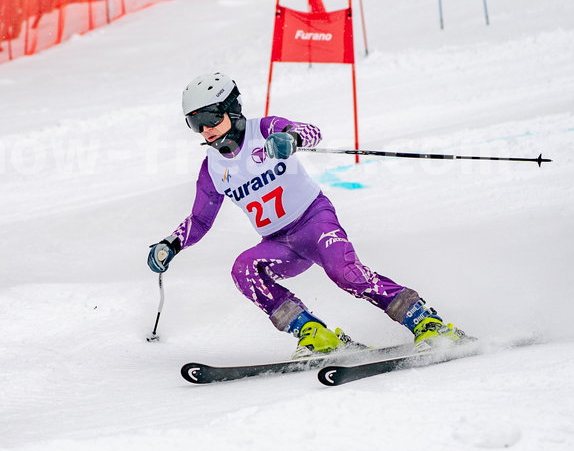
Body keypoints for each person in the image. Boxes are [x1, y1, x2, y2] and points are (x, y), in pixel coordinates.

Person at [147, 72, 468, 358]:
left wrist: (292, 139)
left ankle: (427, 321)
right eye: (195, 123)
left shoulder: (265, 129)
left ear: (231, 109)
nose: (205, 129)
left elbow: (310, 131)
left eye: (209, 117)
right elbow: (201, 220)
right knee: (243, 268)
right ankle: (315, 334)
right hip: (279, 243)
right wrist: (171, 244)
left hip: (314, 221)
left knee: (345, 273)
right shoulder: (213, 168)